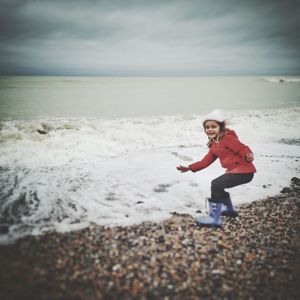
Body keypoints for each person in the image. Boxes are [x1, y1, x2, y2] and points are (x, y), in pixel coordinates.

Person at [176, 109, 256, 226]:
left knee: (216, 184)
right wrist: (189, 167)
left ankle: (214, 218)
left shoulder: (228, 138)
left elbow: (242, 148)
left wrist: (248, 155)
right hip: (236, 172)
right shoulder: (214, 145)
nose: (210, 129)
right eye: (207, 127)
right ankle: (228, 210)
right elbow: (205, 162)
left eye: (213, 126)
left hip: (244, 171)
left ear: (221, 127)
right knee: (219, 186)